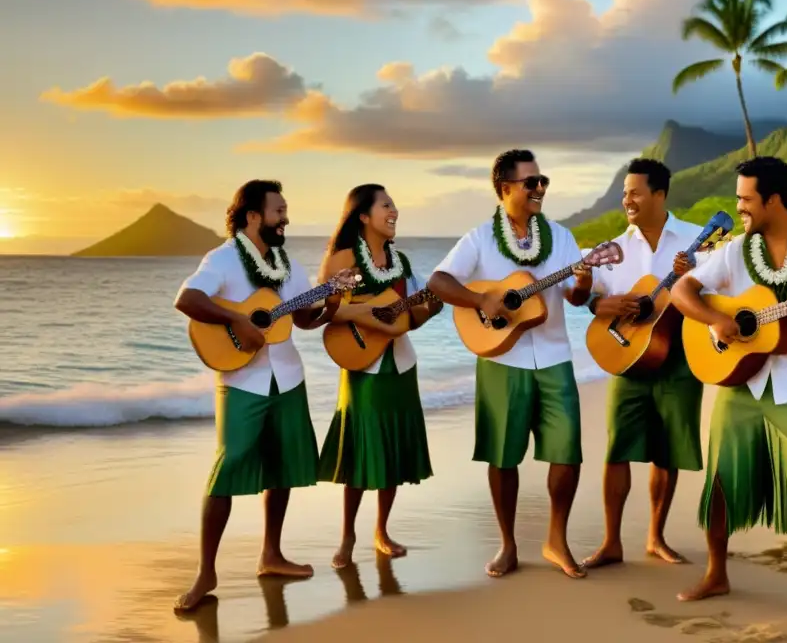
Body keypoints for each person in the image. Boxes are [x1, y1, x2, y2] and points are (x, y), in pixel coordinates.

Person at [669, 156, 787, 638]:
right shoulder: (736, 251)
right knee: (719, 482)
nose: (738, 207)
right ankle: (716, 573)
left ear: (773, 200)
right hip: (739, 378)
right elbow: (681, 290)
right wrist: (716, 320)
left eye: (745, 198)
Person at [173, 179, 342, 612]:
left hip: (287, 377)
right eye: (278, 211)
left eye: (286, 211)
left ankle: (271, 554)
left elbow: (302, 319)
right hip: (241, 381)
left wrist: (332, 302)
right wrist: (238, 320)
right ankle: (206, 572)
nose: (286, 218)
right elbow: (187, 298)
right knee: (227, 470)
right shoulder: (223, 258)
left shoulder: (288, 263)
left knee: (283, 466)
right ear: (252, 216)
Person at [427, 149, 593, 579]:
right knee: (502, 456)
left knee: (568, 451)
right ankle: (508, 545)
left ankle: (557, 539)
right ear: (505, 189)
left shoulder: (560, 237)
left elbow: (576, 296)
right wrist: (481, 299)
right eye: (530, 183)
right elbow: (438, 282)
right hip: (502, 357)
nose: (539, 189)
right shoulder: (480, 239)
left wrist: (586, 280)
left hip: (555, 355)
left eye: (543, 182)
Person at [582, 158, 706, 569]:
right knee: (618, 448)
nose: (627, 200)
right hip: (627, 358)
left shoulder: (697, 242)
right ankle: (611, 542)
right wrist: (600, 303)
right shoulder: (614, 248)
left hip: (679, 358)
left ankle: (656, 537)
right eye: (624, 193)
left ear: (659, 194)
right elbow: (590, 298)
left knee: (667, 450)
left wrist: (694, 278)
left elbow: (720, 289)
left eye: (635, 191)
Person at [317, 184, 441, 569]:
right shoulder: (343, 260)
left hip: (401, 366)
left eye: (394, 205)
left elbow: (419, 311)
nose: (394, 211)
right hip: (361, 365)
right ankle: (347, 535)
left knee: (392, 449)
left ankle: (381, 531)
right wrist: (367, 314)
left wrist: (426, 310)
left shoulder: (401, 262)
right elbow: (322, 310)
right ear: (363, 216)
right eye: (386, 205)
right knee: (359, 451)